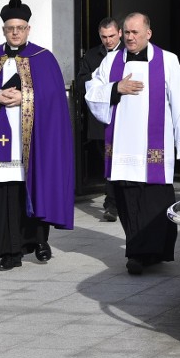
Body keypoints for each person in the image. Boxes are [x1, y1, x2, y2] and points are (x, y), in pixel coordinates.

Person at [0, 0, 74, 271]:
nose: (15, 32)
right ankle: (9, 252)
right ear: (3, 30)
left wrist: (25, 97)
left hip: (32, 141)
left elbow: (53, 99)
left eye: (20, 27)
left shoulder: (43, 58)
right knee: (4, 194)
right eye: (10, 28)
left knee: (33, 188)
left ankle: (39, 240)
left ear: (29, 29)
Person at [85, 12, 180, 275]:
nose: (130, 37)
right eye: (126, 32)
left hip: (153, 149)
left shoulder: (168, 61)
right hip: (124, 145)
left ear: (148, 33)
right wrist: (115, 89)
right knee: (128, 200)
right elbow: (91, 89)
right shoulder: (112, 61)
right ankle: (136, 253)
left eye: (135, 32)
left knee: (155, 201)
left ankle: (154, 251)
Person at [76, 17, 121, 222]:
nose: (108, 41)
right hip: (100, 118)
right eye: (104, 37)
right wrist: (97, 79)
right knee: (108, 160)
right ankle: (111, 203)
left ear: (119, 33)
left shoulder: (128, 53)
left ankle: (115, 202)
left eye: (111, 36)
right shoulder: (93, 55)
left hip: (123, 114)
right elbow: (81, 82)